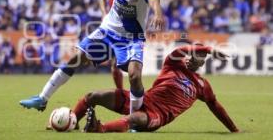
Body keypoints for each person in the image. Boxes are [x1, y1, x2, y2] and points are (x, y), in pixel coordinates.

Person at [20, 0, 165, 117]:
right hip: (107, 30)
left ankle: (135, 119)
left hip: (131, 38)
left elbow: (154, 0)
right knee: (75, 58)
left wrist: (158, 14)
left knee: (134, 76)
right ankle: (42, 98)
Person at [67, 44, 239, 133]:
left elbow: (216, 107)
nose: (192, 58)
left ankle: (100, 128)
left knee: (133, 119)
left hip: (157, 116)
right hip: (142, 99)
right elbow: (180, 50)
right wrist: (208, 49)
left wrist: (234, 129)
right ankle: (71, 121)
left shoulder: (202, 85)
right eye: (192, 54)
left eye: (198, 57)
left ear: (203, 62)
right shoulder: (173, 63)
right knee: (92, 96)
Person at [98, 0, 124, 89]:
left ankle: (133, 99)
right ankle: (121, 93)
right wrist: (104, 13)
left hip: (131, 26)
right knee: (115, 63)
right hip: (114, 25)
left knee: (133, 67)